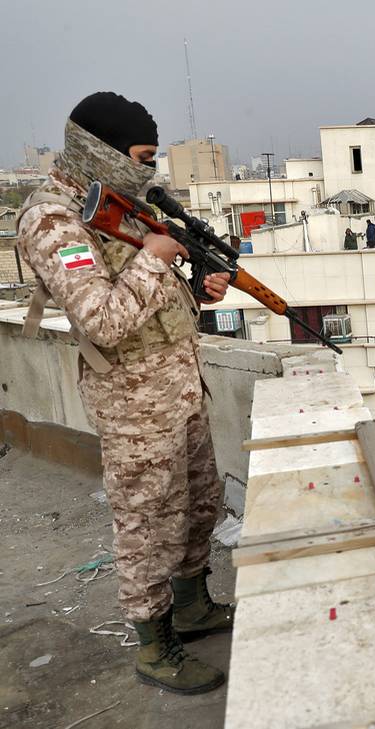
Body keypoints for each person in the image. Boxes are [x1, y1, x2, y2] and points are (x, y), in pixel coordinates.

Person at [15, 92, 234, 695]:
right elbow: (103, 321)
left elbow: (154, 294)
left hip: (180, 387)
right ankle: (155, 647)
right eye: (140, 157)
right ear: (101, 149)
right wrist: (155, 261)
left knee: (197, 505)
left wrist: (199, 287)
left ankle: (192, 610)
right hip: (133, 403)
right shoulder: (54, 219)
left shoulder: (120, 204)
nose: (148, 171)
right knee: (148, 525)